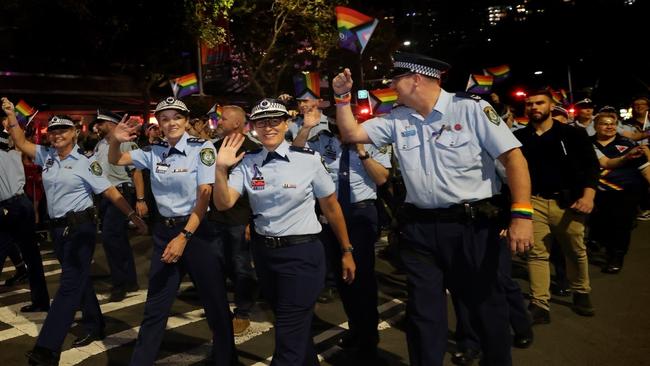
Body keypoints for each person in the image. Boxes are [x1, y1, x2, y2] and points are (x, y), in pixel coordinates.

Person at [330, 52, 534, 366]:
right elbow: (351, 133)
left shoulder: (471, 109)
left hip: (472, 226)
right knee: (423, 313)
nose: (391, 86)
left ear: (416, 78)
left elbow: (514, 159)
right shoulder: (398, 118)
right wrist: (342, 98)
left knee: (485, 306)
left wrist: (521, 213)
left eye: (396, 80)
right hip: (420, 230)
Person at [2, 98, 147, 366]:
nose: (57, 135)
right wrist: (12, 115)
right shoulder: (46, 156)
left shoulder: (86, 163)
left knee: (68, 286)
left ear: (75, 134)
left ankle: (47, 349)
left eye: (63, 131)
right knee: (78, 280)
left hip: (81, 229)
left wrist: (131, 214)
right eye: (53, 132)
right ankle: (95, 322)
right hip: (58, 230)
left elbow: (109, 190)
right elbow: (21, 142)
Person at [214, 98, 356, 366]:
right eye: (261, 122)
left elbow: (332, 208)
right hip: (265, 256)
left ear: (286, 123)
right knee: (293, 327)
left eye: (274, 121)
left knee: (289, 335)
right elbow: (224, 203)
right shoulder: (247, 162)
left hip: (302, 255)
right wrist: (221, 168)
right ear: (253, 127)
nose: (268, 127)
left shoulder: (308, 160)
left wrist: (347, 250)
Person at [109, 97, 236, 366]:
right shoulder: (153, 151)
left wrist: (184, 237)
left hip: (196, 232)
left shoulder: (202, 149)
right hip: (164, 234)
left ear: (186, 120)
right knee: (156, 304)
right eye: (164, 119)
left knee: (214, 303)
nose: (171, 123)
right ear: (160, 124)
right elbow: (117, 159)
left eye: (176, 117)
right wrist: (114, 139)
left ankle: (226, 359)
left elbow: (205, 196)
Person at [293, 106, 391, 360]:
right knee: (342, 277)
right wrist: (305, 127)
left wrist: (361, 150)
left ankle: (369, 336)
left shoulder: (372, 139)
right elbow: (294, 155)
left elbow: (382, 179)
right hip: (330, 215)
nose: (338, 124)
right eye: (334, 120)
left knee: (363, 277)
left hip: (360, 214)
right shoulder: (321, 140)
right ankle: (356, 328)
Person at [514, 90, 599, 324]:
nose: (534, 107)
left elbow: (592, 167)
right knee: (537, 253)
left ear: (551, 106)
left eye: (539, 102)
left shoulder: (573, 134)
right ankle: (540, 303)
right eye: (529, 104)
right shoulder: (519, 137)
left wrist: (588, 197)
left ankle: (581, 291)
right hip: (534, 201)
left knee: (575, 250)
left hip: (569, 202)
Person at [207, 104, 260, 336]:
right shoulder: (213, 149)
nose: (219, 123)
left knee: (241, 267)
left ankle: (243, 312)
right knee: (218, 265)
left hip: (241, 219)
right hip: (216, 217)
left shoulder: (254, 150)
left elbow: (257, 189)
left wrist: (251, 222)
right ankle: (221, 309)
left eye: (224, 119)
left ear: (238, 123)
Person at [91, 109, 147, 301]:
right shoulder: (99, 145)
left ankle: (119, 283)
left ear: (111, 124)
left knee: (110, 238)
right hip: (106, 196)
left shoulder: (126, 143)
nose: (97, 126)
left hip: (121, 194)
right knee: (119, 239)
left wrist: (140, 199)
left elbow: (136, 172)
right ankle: (129, 280)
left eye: (101, 122)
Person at [590, 112, 650, 273]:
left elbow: (645, 169)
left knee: (621, 226)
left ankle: (617, 257)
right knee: (600, 225)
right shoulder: (587, 144)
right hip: (596, 194)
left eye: (612, 123)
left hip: (625, 193)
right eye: (604, 123)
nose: (609, 126)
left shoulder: (628, 144)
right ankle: (601, 244)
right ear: (595, 126)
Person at [0, 126, 50, 312]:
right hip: (23, 204)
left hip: (8, 208)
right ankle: (41, 302)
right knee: (32, 255)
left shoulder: (9, 153)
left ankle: (40, 301)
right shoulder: (15, 153)